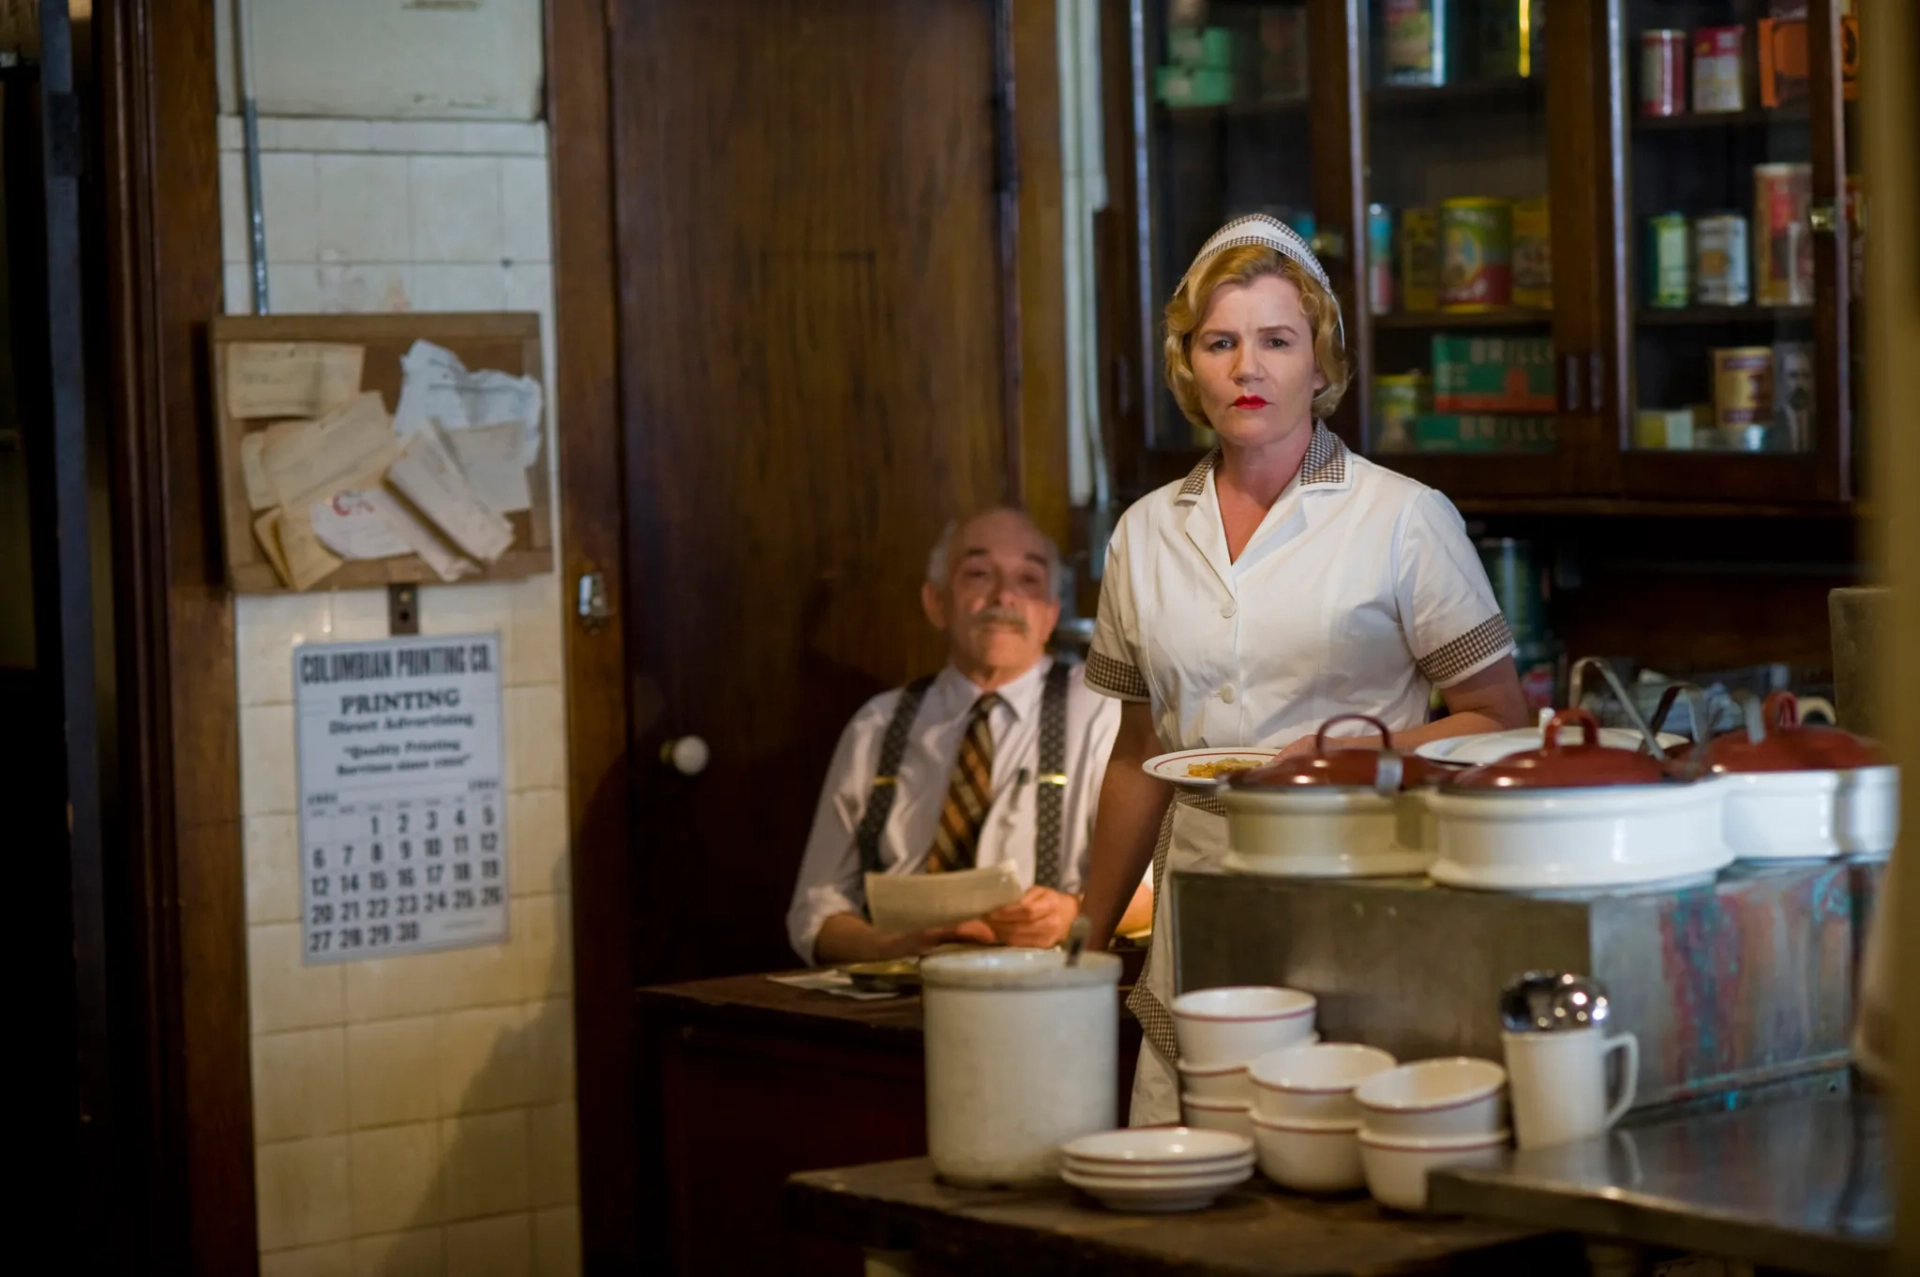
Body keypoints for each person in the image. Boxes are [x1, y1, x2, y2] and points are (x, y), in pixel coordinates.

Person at [1076, 214, 1530, 1124]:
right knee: (1193, 1164)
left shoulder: (1402, 518)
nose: (1249, 367)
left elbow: (1497, 718)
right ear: (1188, 367)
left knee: (1327, 1140)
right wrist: (1084, 941)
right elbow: (1139, 754)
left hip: (1354, 876)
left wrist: (1342, 759)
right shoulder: (1145, 532)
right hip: (1198, 899)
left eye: (1278, 340)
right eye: (1221, 342)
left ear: (1320, 365)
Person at [787, 508, 1155, 966]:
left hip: (1041, 992)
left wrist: (1072, 915)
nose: (1004, 597)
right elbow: (815, 911)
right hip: (896, 1002)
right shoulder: (876, 726)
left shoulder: (1104, 711)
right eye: (979, 574)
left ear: (1050, 614)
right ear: (936, 602)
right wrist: (891, 950)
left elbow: (1159, 889)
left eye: (1028, 580)